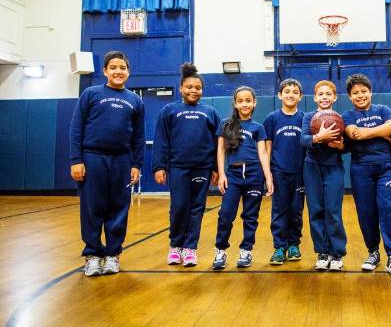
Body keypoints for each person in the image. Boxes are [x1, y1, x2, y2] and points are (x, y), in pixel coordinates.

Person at [69, 50, 145, 277]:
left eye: (122, 68)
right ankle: (93, 255)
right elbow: (76, 129)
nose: (118, 71)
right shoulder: (91, 94)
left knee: (119, 208)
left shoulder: (135, 101)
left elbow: (138, 137)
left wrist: (136, 164)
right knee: (92, 208)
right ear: (105, 71)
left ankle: (112, 254)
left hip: (122, 160)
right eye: (113, 67)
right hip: (93, 158)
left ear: (128, 72)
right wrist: (76, 160)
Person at [152, 63, 220, 267]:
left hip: (202, 168)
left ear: (202, 90)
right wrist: (159, 166)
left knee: (197, 208)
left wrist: (216, 168)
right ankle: (176, 246)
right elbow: (161, 140)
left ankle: (190, 249)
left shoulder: (210, 112)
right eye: (189, 87)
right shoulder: (169, 110)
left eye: (197, 88)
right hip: (178, 168)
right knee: (180, 206)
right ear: (181, 88)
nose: (193, 90)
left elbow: (218, 143)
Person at [342, 74, 391, 279]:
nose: (360, 95)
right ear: (350, 97)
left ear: (370, 92)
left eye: (363, 91)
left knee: (389, 209)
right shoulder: (347, 115)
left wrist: (367, 132)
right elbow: (353, 134)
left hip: (387, 166)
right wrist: (381, 132)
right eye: (355, 93)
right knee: (366, 213)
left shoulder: (383, 110)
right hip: (360, 168)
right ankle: (373, 252)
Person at [212, 86, 274, 270]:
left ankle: (246, 250)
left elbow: (263, 153)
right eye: (240, 101)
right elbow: (221, 151)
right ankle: (220, 250)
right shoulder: (226, 125)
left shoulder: (258, 127)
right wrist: (222, 173)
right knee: (225, 214)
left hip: (254, 175)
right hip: (233, 175)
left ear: (254, 103)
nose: (244, 104)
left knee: (250, 216)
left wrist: (268, 177)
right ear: (235, 103)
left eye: (248, 100)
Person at [300, 80, 347, 271]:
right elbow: (303, 140)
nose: (324, 97)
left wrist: (340, 145)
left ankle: (336, 253)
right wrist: (319, 137)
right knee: (316, 210)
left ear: (334, 97)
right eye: (321, 94)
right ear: (315, 98)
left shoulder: (340, 118)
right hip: (312, 167)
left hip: (333, 167)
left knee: (333, 211)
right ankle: (322, 252)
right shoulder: (308, 117)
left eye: (328, 94)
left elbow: (347, 145)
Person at [263, 78, 306, 265]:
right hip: (279, 171)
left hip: (300, 173)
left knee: (296, 210)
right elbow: (267, 148)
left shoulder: (305, 118)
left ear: (300, 96)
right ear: (280, 95)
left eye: (295, 92)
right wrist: (268, 175)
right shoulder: (272, 119)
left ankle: (294, 244)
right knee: (279, 210)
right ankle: (279, 247)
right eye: (287, 91)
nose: (291, 94)